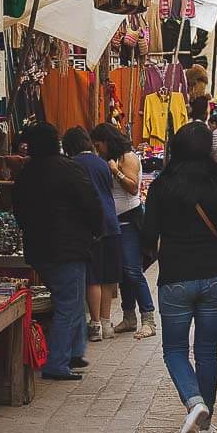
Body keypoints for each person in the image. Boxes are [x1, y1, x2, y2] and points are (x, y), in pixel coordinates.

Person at [141, 122, 217, 433]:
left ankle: (194, 402)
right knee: (207, 351)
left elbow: (147, 237)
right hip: (215, 279)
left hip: (175, 279)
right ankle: (205, 423)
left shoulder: (163, 186)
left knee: (175, 350)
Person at [15, 123, 103, 381]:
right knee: (68, 303)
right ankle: (58, 362)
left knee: (72, 301)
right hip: (69, 248)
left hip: (40, 248)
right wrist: (95, 231)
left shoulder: (26, 174)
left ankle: (74, 352)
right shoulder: (68, 169)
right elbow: (91, 203)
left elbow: (18, 210)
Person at [90, 123, 156, 338]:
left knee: (132, 271)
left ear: (107, 142)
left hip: (129, 220)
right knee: (122, 272)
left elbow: (133, 186)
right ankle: (129, 317)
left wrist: (115, 172)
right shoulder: (104, 159)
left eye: (99, 145)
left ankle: (148, 318)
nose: (97, 149)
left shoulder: (126, 158)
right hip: (113, 222)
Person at [63, 128, 122, 342]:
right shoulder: (103, 164)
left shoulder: (72, 165)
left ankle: (95, 323)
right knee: (108, 278)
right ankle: (107, 323)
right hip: (111, 223)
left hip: (90, 226)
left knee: (93, 278)